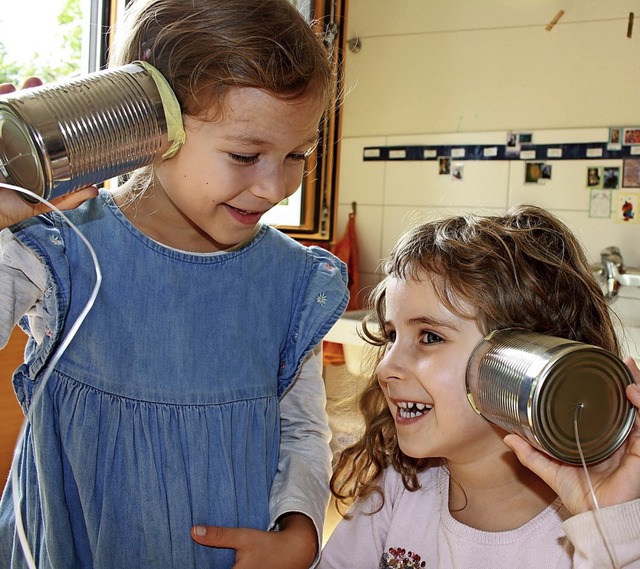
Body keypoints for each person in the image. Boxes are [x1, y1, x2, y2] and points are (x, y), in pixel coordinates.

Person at [0, 0, 349, 567]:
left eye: (296, 155)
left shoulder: (291, 281)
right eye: (244, 154)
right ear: (149, 118)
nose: (273, 188)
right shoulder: (58, 245)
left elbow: (304, 429)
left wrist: (299, 529)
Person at [320, 205, 640, 568]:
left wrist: (612, 526)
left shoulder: (593, 531)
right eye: (391, 335)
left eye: (429, 336)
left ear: (521, 361)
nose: (387, 367)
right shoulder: (399, 489)